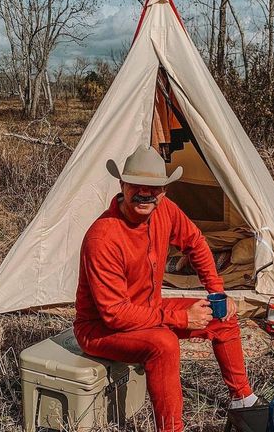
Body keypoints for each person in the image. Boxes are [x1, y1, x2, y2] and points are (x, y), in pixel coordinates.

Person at [74, 144, 262, 432]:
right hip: (101, 329)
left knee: (221, 316)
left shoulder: (165, 211)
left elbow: (196, 243)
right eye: (137, 184)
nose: (146, 193)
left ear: (164, 191)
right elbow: (114, 314)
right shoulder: (103, 238)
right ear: (123, 185)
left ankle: (243, 400)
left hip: (146, 310)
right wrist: (179, 318)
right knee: (163, 344)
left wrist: (217, 292)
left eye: (155, 187)